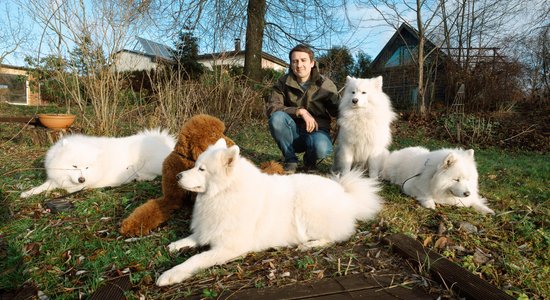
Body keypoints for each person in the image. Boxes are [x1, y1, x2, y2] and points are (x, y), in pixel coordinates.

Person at [266, 44, 339, 174]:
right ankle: (290, 160)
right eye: (295, 61)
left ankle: (310, 163)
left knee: (321, 147)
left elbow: (339, 111)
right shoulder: (282, 82)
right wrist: (299, 111)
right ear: (291, 64)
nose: (299, 65)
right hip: (292, 133)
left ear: (312, 63)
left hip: (317, 132)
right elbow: (272, 108)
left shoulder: (325, 84)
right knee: (276, 118)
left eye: (303, 60)